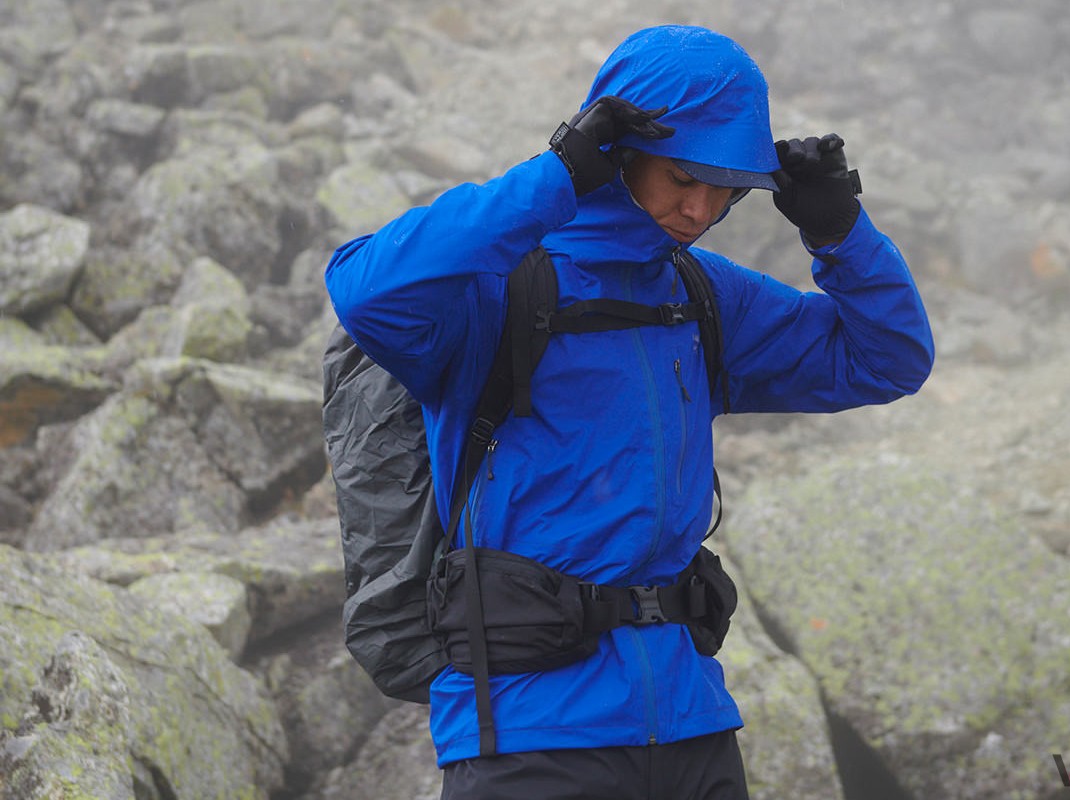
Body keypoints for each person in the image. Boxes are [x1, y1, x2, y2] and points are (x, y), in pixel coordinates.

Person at [325, 24, 934, 800]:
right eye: (684, 175)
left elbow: (886, 358)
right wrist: (556, 177)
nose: (699, 207)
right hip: (529, 737)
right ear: (619, 153)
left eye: (724, 187)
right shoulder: (493, 291)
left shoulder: (703, 295)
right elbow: (366, 291)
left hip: (693, 728)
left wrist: (839, 232)